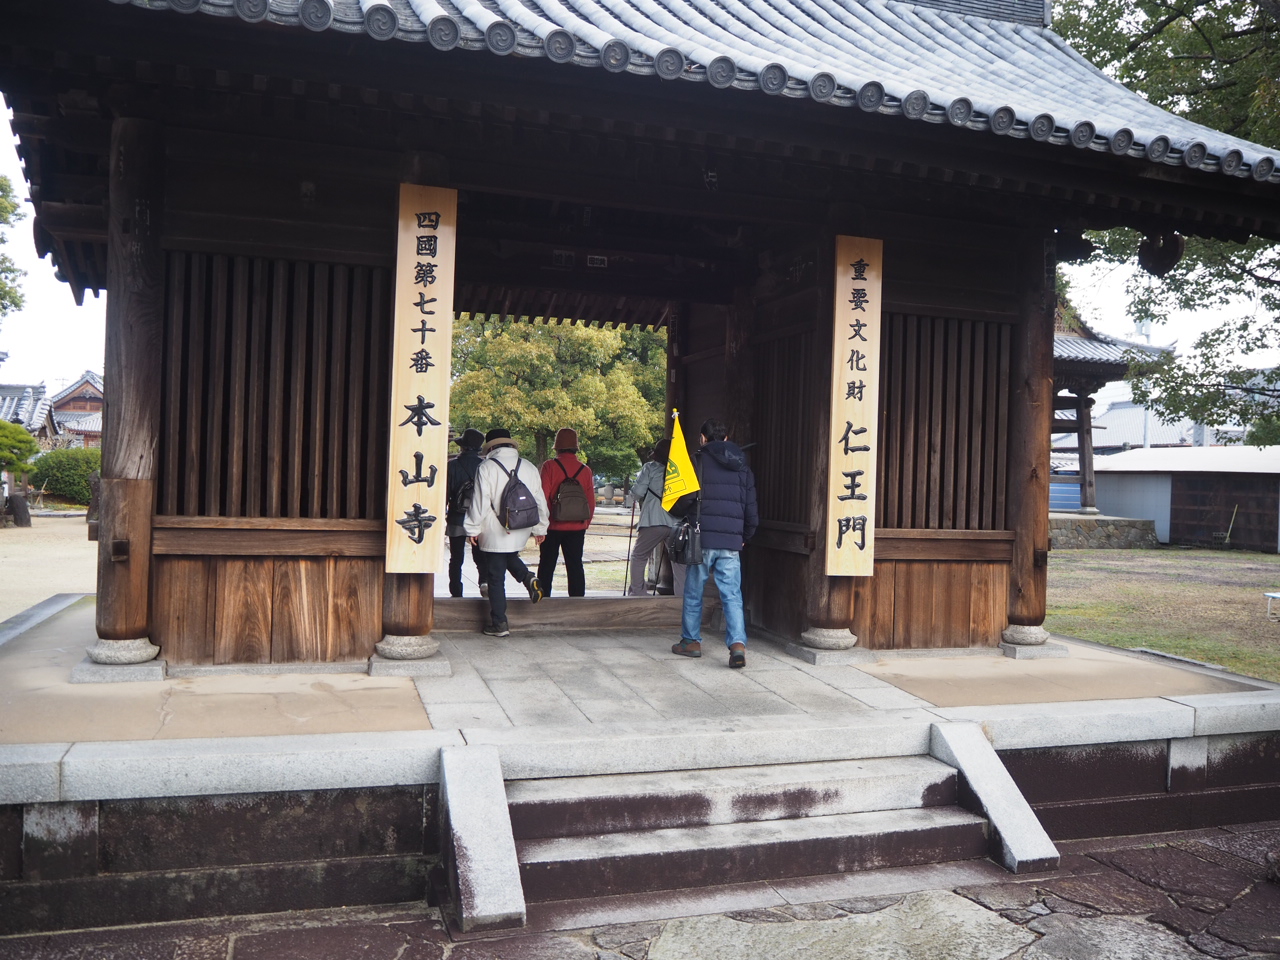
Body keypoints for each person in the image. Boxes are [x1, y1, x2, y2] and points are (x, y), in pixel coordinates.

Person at [672, 418, 758, 669]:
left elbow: (685, 498)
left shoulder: (697, 460)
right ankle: (737, 645)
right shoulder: (742, 465)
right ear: (726, 439)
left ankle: (690, 642)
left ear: (703, 438)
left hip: (702, 537)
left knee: (693, 591)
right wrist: (745, 536)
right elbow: (751, 507)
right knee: (732, 595)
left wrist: (678, 513)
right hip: (732, 540)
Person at [464, 428, 549, 637]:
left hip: (494, 528)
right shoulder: (528, 467)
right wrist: (540, 528)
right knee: (509, 555)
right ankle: (528, 577)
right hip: (521, 526)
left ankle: (499, 623)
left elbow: (480, 502)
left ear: (491, 447)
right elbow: (540, 500)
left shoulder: (487, 467)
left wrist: (472, 528)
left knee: (495, 577)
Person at [538, 428, 595, 598]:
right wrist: (585, 522)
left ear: (557, 447)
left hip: (552, 526)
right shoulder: (585, 470)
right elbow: (590, 502)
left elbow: (543, 496)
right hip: (577, 527)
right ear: (576, 448)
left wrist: (543, 523)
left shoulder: (549, 466)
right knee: (575, 565)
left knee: (547, 565)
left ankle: (542, 601)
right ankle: (577, 602)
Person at [627, 438, 687, 599]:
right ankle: (682, 598)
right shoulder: (680, 471)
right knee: (679, 561)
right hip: (676, 522)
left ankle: (638, 593)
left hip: (653, 520)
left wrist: (633, 494)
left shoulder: (650, 468)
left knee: (639, 555)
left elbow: (638, 492)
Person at [445, 428, 486, 598]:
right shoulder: (484, 466)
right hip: (479, 518)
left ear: (462, 447)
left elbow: (445, 494)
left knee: (456, 558)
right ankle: (484, 583)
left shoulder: (452, 466)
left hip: (457, 517)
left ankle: (456, 592)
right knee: (481, 556)